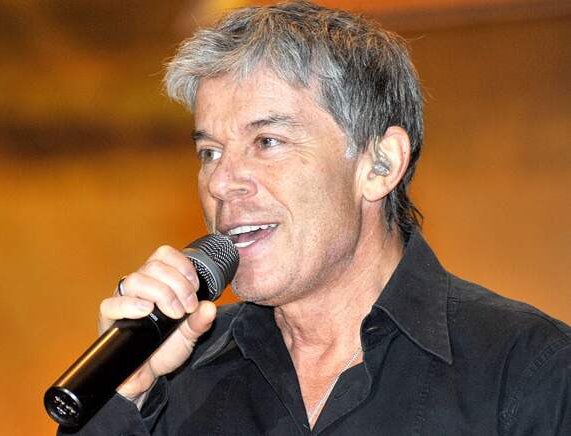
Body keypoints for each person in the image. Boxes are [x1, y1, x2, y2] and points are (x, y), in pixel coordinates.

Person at [59, 1, 570, 434]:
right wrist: (123, 395)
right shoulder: (172, 378)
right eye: (209, 152)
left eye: (267, 141)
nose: (220, 182)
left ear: (380, 164)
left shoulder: (530, 370)